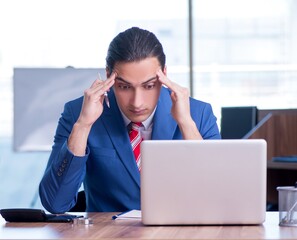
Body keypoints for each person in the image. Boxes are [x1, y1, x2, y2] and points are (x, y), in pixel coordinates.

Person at [39, 27, 221, 213]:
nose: (137, 102)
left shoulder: (198, 114)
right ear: (109, 75)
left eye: (149, 86)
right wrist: (83, 126)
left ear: (164, 74)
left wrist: (186, 124)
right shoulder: (77, 113)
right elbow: (55, 203)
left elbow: (217, 198)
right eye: (124, 87)